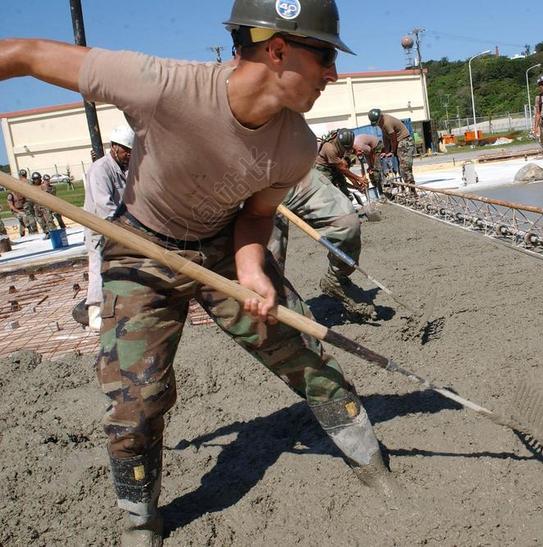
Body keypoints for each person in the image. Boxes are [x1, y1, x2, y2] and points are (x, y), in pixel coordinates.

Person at [0, 1, 396, 544]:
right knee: (134, 403)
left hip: (217, 246)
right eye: (325, 55)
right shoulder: (164, 87)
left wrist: (252, 267)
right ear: (278, 50)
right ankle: (143, 525)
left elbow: (257, 215)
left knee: (305, 353)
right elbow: (25, 53)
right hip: (140, 249)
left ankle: (375, 468)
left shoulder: (297, 144)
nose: (333, 73)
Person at [269, 167, 376, 321]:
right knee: (265, 272)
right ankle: (294, 327)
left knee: (347, 225)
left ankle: (336, 279)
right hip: (242, 183)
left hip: (285, 164)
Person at [81, 125, 134, 331]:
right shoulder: (100, 170)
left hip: (119, 227)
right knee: (98, 266)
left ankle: (119, 308)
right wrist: (128, 226)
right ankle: (95, 315)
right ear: (114, 147)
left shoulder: (125, 169)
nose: (129, 155)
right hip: (99, 229)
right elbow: (105, 207)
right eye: (126, 151)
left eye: (131, 151)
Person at [368, 108, 416, 195]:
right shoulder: (381, 123)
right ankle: (405, 189)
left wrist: (392, 151)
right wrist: (386, 152)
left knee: (404, 168)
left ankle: (413, 192)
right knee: (398, 168)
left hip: (404, 141)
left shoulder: (386, 122)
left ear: (380, 117)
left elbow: (393, 138)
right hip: (398, 141)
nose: (378, 124)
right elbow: (385, 138)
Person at [314, 127, 367, 199]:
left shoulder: (346, 142)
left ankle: (346, 200)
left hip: (334, 163)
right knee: (330, 189)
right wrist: (359, 178)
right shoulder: (329, 149)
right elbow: (343, 169)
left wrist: (357, 186)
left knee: (342, 182)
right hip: (323, 168)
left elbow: (345, 170)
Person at [7, 169, 38, 236]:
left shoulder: (19, 183)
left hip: (26, 204)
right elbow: (11, 206)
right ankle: (31, 230)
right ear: (26, 175)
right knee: (30, 216)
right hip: (28, 203)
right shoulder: (30, 182)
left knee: (28, 216)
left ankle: (32, 231)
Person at [353, 133, 384, 198]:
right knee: (370, 170)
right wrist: (369, 166)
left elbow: (371, 153)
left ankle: (382, 193)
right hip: (369, 149)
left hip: (377, 146)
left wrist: (372, 166)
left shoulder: (361, 147)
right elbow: (367, 155)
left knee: (375, 170)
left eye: (359, 153)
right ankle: (376, 189)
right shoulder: (354, 148)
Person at [29, 171, 57, 238]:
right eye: (35, 179)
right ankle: (47, 233)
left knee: (49, 219)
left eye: (37, 178)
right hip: (36, 206)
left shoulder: (43, 186)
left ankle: (54, 232)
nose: (36, 180)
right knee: (41, 221)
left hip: (44, 205)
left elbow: (47, 196)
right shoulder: (31, 187)